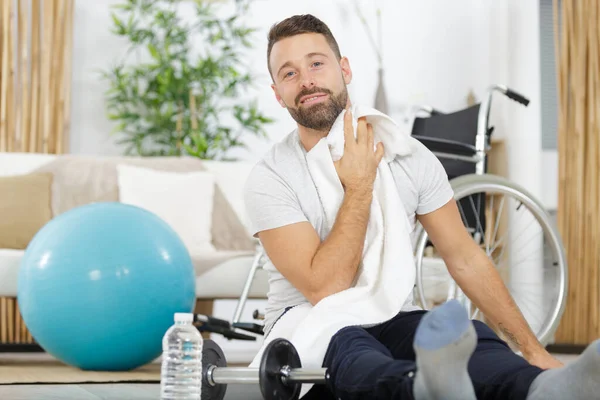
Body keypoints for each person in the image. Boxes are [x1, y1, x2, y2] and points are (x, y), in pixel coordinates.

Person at [243, 14, 600, 400]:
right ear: (278, 93)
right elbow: (327, 290)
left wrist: (534, 350)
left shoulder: (407, 156)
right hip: (310, 322)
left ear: (344, 68)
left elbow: (464, 256)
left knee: (472, 340)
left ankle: (548, 388)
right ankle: (423, 387)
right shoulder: (271, 178)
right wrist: (360, 186)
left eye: (316, 63)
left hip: (392, 312)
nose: (307, 80)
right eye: (289, 73)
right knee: (356, 352)